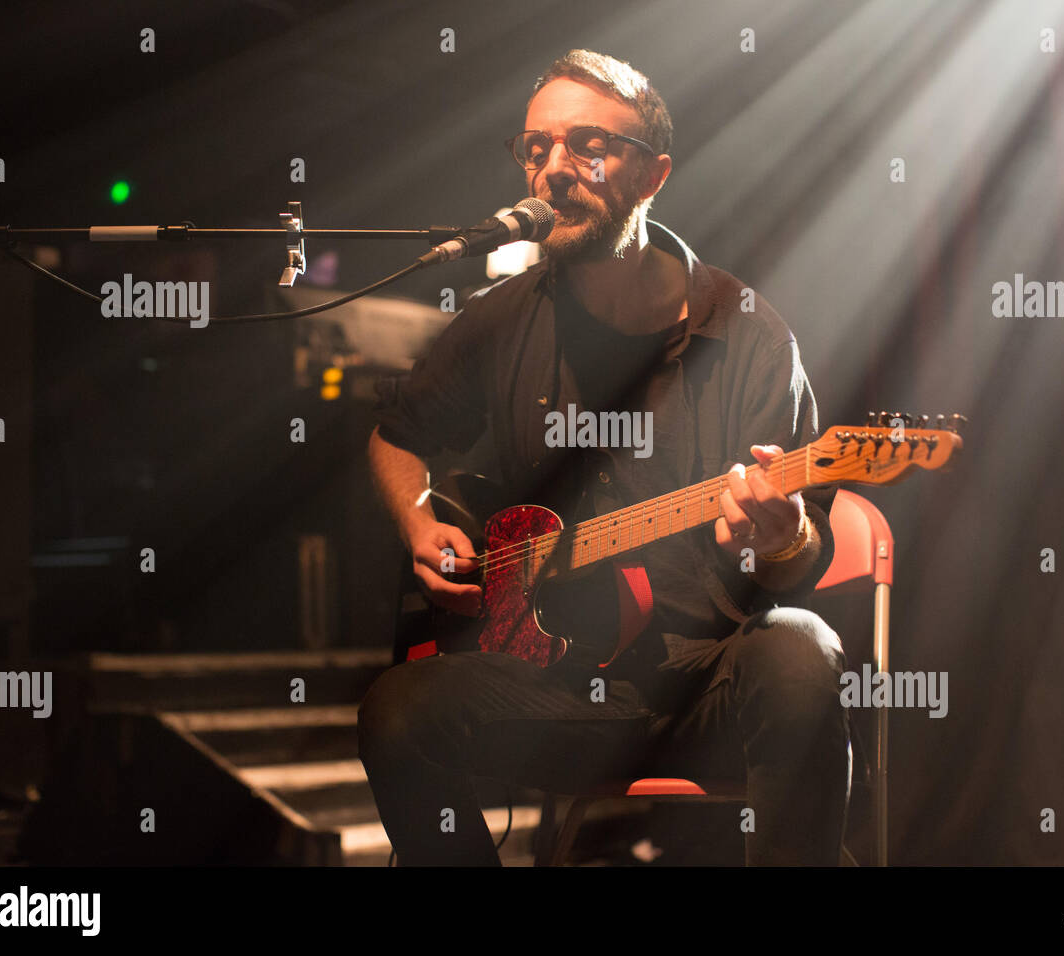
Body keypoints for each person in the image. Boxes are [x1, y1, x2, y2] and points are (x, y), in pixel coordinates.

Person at [358, 49, 850, 866]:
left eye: (588, 145)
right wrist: (417, 523)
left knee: (801, 649)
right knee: (397, 711)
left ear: (653, 176)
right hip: (555, 691)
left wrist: (778, 536)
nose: (553, 169)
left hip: (710, 684)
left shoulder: (750, 334)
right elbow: (397, 434)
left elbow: (798, 562)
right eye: (535, 148)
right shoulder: (500, 318)